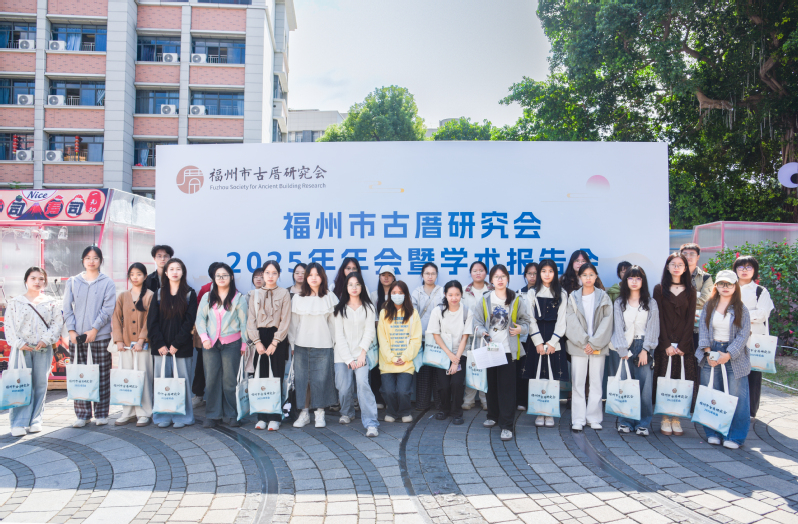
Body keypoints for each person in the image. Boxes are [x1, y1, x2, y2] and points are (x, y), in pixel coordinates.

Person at [473, 264, 531, 441]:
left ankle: (506, 426)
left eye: (503, 276)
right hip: (490, 349)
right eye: (496, 277)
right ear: (491, 280)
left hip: (507, 350)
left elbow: (526, 322)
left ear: (507, 279)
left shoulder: (516, 298)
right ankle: (493, 416)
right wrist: (483, 331)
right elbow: (477, 322)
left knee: (507, 389)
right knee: (491, 385)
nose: (500, 279)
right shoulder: (485, 299)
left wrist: (520, 329)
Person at [4, 267, 64, 437]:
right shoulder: (16, 302)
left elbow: (57, 324)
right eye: (33, 278)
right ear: (26, 280)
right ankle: (18, 422)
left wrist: (46, 339)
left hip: (42, 348)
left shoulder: (51, 302)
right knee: (20, 384)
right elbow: (9, 326)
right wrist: (18, 343)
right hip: (21, 350)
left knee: (40, 384)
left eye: (41, 279)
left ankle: (35, 419)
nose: (37, 282)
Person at [696, 270, 751, 449]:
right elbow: (703, 329)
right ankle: (713, 432)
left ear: (735, 286)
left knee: (737, 397)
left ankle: (735, 436)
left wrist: (729, 354)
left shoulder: (741, 308)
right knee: (712, 393)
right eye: (721, 284)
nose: (725, 287)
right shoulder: (709, 305)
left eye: (729, 284)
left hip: (734, 354)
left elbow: (743, 335)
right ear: (716, 286)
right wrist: (708, 353)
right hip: (711, 350)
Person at [64, 246, 117, 428]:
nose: (91, 261)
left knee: (102, 375)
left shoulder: (107, 283)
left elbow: (108, 309)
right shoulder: (73, 282)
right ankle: (82, 414)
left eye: (95, 258)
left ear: (101, 260)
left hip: (100, 336)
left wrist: (94, 329)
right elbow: (67, 308)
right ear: (82, 260)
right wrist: (71, 331)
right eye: (87, 257)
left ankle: (101, 413)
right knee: (80, 375)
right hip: (77, 338)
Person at [195, 262, 248, 428]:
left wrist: (244, 344)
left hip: (232, 344)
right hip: (210, 344)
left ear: (231, 277)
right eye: (218, 276)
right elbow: (200, 319)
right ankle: (213, 415)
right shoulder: (207, 297)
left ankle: (232, 414)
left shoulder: (238, 298)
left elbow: (244, 323)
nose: (221, 278)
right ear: (214, 278)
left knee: (229, 380)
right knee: (211, 380)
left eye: (225, 275)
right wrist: (204, 338)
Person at [147, 258, 198, 428]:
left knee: (182, 383)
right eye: (171, 269)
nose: (175, 272)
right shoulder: (159, 294)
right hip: (160, 348)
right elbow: (152, 322)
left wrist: (176, 344)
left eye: (178, 269)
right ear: (166, 273)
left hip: (181, 347)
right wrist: (160, 344)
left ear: (183, 272)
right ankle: (162, 416)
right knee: (162, 382)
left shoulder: (190, 294)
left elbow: (189, 322)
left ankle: (182, 417)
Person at [610, 266, 660, 436]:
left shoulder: (650, 302)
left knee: (645, 388)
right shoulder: (619, 302)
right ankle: (625, 421)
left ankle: (643, 423)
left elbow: (653, 328)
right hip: (625, 346)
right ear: (626, 280)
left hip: (643, 345)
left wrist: (646, 349)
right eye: (631, 278)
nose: (634, 281)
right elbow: (617, 327)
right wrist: (622, 349)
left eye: (638, 278)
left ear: (643, 281)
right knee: (625, 385)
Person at [652, 253, 697, 436]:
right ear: (667, 266)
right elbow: (658, 318)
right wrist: (666, 344)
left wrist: (683, 345)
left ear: (685, 268)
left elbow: (690, 319)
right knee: (664, 379)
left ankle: (677, 418)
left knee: (681, 380)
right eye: (673, 264)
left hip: (684, 345)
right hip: (665, 343)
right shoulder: (659, 289)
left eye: (680, 264)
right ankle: (665, 417)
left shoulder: (691, 290)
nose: (677, 267)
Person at [289, 262, 338, 428]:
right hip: (301, 345)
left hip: (324, 344)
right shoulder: (297, 298)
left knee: (321, 380)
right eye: (310, 275)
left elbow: (334, 324)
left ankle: (319, 413)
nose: (314, 278)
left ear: (322, 277)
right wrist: (293, 345)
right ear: (306, 277)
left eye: (317, 275)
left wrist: (334, 344)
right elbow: (293, 324)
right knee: (303, 381)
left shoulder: (329, 297)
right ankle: (304, 413)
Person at [565, 262, 613, 432]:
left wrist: (593, 343)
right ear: (579, 277)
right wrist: (585, 342)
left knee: (596, 382)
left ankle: (594, 418)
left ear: (596, 276)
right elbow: (570, 321)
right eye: (584, 275)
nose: (588, 278)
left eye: (591, 274)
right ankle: (578, 419)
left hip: (598, 346)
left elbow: (608, 321)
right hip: (579, 346)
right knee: (578, 383)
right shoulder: (573, 297)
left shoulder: (603, 297)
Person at [521, 259, 569, 428]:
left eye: (550, 271)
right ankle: (539, 411)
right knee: (537, 374)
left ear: (555, 273)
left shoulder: (562, 293)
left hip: (554, 339)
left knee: (553, 375)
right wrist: (538, 342)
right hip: (537, 339)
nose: (547, 274)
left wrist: (553, 342)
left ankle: (550, 412)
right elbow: (530, 318)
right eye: (543, 271)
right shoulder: (532, 293)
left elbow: (562, 321)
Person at [333, 272, 379, 436]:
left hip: (361, 355)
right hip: (342, 355)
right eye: (350, 284)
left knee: (362, 383)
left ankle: (371, 423)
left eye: (357, 284)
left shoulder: (368, 308)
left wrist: (362, 354)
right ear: (346, 287)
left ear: (362, 287)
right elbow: (339, 336)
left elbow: (369, 332)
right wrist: (347, 359)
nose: (354, 287)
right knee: (344, 387)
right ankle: (347, 412)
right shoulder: (339, 308)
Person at [247, 260, 291, 431]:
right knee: (260, 377)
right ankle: (261, 416)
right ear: (262, 274)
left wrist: (275, 342)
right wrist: (257, 342)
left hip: (277, 338)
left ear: (278, 274)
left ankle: (275, 417)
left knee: (276, 377)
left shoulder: (284, 293)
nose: (270, 276)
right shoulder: (254, 294)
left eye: (274, 273)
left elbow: (285, 321)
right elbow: (251, 320)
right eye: (267, 273)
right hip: (259, 337)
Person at [112, 263, 155, 427]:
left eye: (139, 274)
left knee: (143, 377)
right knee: (127, 378)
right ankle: (128, 412)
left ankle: (144, 412)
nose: (135, 277)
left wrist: (141, 340)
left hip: (143, 346)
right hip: (125, 345)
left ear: (145, 276)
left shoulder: (150, 295)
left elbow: (150, 320)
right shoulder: (123, 295)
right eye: (132, 274)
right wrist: (119, 340)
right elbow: (116, 318)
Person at [733, 256, 773, 418]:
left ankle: (750, 411)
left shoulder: (760, 291)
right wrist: (749, 315)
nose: (744, 270)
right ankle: (733, 408)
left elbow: (763, 314)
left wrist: (738, 315)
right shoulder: (729, 287)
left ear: (754, 270)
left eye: (748, 267)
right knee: (732, 373)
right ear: (735, 270)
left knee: (753, 375)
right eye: (741, 267)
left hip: (753, 339)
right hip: (731, 337)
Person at [427, 280, 473, 425]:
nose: (454, 298)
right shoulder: (438, 311)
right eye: (450, 295)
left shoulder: (467, 312)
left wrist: (456, 359)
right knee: (444, 385)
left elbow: (465, 337)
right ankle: (444, 409)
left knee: (457, 383)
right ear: (445, 295)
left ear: (461, 294)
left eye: (457, 294)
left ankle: (457, 412)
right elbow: (435, 334)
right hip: (442, 353)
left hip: (460, 353)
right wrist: (449, 355)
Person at [378, 280, 422, 423]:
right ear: (390, 294)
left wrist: (405, 356)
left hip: (406, 361)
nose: (397, 295)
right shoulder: (384, 313)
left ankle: (404, 411)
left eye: (400, 293)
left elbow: (416, 339)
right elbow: (382, 339)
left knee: (403, 391)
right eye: (394, 293)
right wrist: (391, 357)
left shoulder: (413, 313)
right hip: (387, 362)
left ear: (406, 295)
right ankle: (391, 411)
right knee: (388, 391)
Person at [411, 262, 445, 411]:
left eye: (433, 273)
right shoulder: (416, 292)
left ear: (436, 275)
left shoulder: (442, 291)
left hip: (438, 339)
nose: (430, 276)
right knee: (423, 374)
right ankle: (422, 404)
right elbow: (412, 315)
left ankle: (440, 405)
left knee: (438, 374)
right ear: (422, 275)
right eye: (427, 273)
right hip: (422, 338)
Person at [462, 261, 492, 410]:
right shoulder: (464, 291)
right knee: (471, 366)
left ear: (486, 273)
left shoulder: (492, 290)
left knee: (486, 367)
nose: (478, 273)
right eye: (475, 270)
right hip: (469, 335)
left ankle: (485, 399)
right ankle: (468, 400)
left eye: (481, 270)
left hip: (487, 334)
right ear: (471, 273)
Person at [192, 262, 221, 409]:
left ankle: (219, 399)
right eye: (217, 274)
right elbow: (199, 313)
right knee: (201, 366)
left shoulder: (232, 290)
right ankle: (198, 395)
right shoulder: (205, 289)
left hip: (223, 337)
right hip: (206, 336)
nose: (220, 277)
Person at [371, 266, 397, 409]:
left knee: (391, 365)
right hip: (378, 335)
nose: (386, 278)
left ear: (393, 278)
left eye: (389, 275)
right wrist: (381, 329)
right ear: (379, 277)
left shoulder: (398, 293)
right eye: (383, 275)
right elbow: (373, 316)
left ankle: (391, 399)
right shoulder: (374, 295)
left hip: (395, 336)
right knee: (376, 368)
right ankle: (378, 398)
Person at [516, 262, 539, 411]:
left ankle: (537, 401)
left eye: (535, 273)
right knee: (522, 369)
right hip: (523, 337)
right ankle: (522, 400)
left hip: (539, 337)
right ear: (525, 275)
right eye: (530, 273)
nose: (532, 276)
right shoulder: (519, 293)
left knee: (537, 369)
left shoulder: (544, 292)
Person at [680, 243, 713, 349]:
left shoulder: (706, 277)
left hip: (698, 325)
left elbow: (705, 300)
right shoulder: (674, 276)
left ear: (698, 257)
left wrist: (682, 306)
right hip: (678, 325)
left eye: (692, 254)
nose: (688, 256)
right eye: (685, 254)